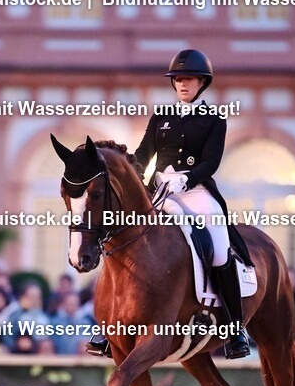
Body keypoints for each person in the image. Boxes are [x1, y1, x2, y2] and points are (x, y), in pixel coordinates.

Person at [87, 48, 250, 359]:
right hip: (160, 189)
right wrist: (135, 180)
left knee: (218, 248)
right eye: (178, 79)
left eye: (189, 79)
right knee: (120, 238)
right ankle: (109, 328)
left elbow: (211, 161)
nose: (183, 84)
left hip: (197, 191)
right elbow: (142, 154)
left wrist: (187, 178)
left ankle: (235, 329)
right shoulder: (161, 116)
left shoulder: (215, 120)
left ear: (202, 82)